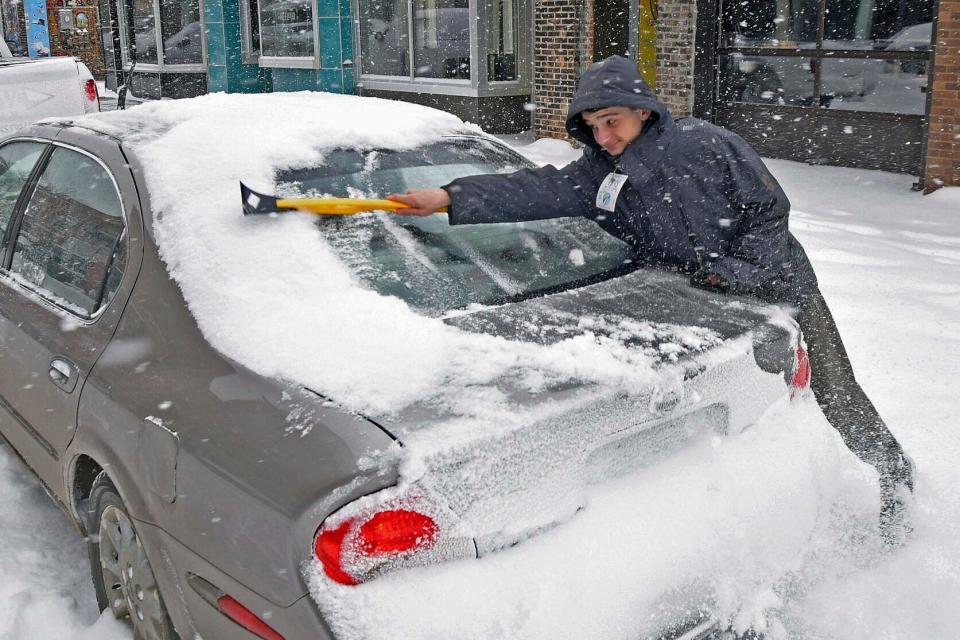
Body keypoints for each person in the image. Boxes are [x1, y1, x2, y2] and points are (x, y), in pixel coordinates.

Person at [386, 55, 915, 547]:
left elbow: (769, 212)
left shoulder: (708, 145)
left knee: (836, 394)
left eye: (612, 120)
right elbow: (534, 189)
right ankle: (772, 497)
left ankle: (895, 481)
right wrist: (450, 196)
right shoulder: (601, 173)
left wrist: (734, 274)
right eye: (592, 126)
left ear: (643, 111)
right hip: (703, 304)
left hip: (777, 290)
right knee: (747, 414)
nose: (603, 135)